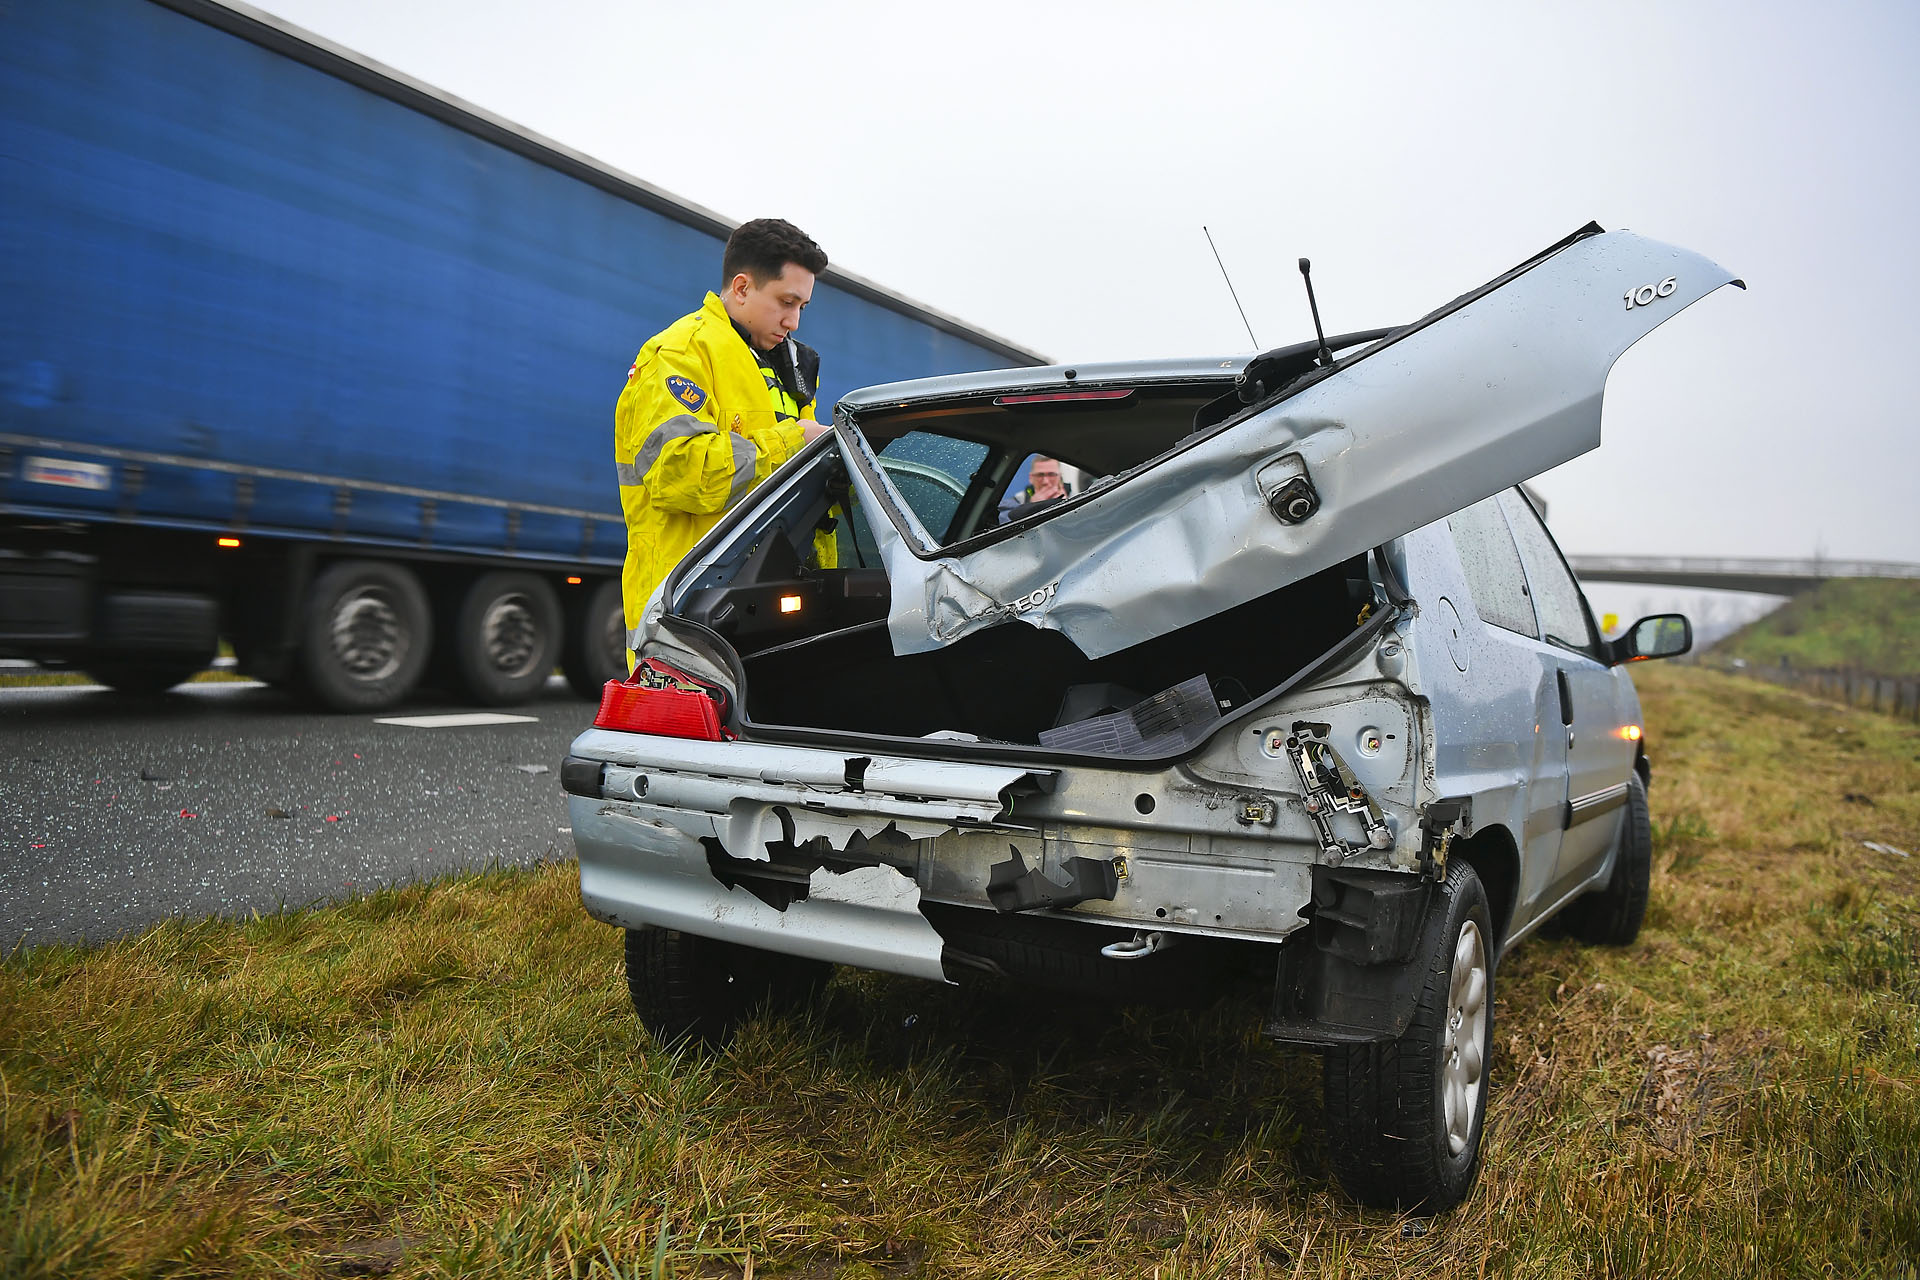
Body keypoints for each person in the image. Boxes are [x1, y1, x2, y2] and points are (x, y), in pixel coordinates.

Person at [613, 218, 834, 658]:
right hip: (687, 608)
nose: (793, 320)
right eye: (786, 302)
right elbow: (679, 471)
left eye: (802, 307)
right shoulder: (680, 352)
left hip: (765, 602)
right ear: (741, 287)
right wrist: (794, 442)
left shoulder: (788, 368)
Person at [997, 455, 1069, 524]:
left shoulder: (1076, 496)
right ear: (1031, 478)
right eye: (1040, 475)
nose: (1045, 481)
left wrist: (1066, 505)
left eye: (1051, 474)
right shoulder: (1010, 504)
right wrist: (1033, 507)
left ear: (1060, 476)